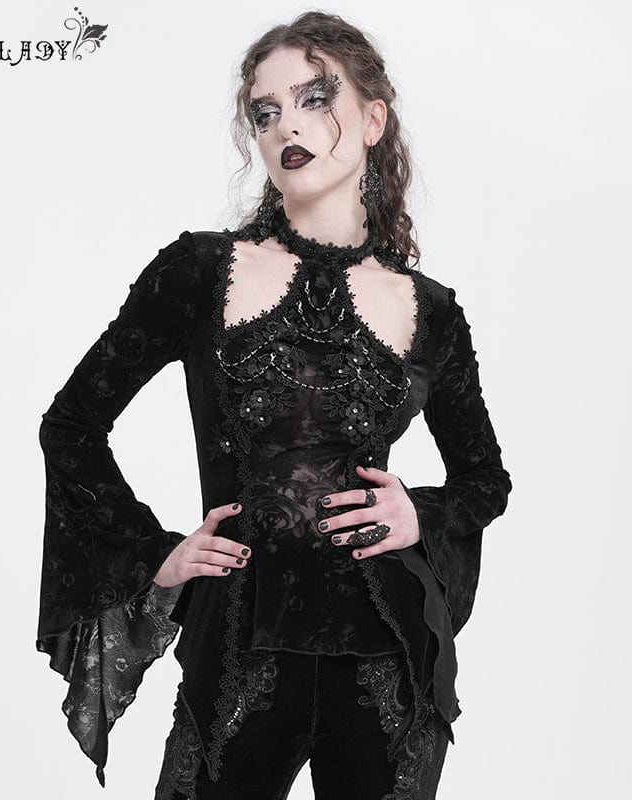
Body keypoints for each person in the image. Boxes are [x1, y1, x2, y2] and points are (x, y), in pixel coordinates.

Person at [35, 10, 512, 800]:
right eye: (265, 111)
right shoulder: (197, 272)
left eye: (314, 98)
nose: (286, 124)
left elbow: (484, 479)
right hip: (234, 653)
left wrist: (418, 512)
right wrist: (154, 552)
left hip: (386, 667)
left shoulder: (430, 311)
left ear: (372, 120)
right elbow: (71, 426)